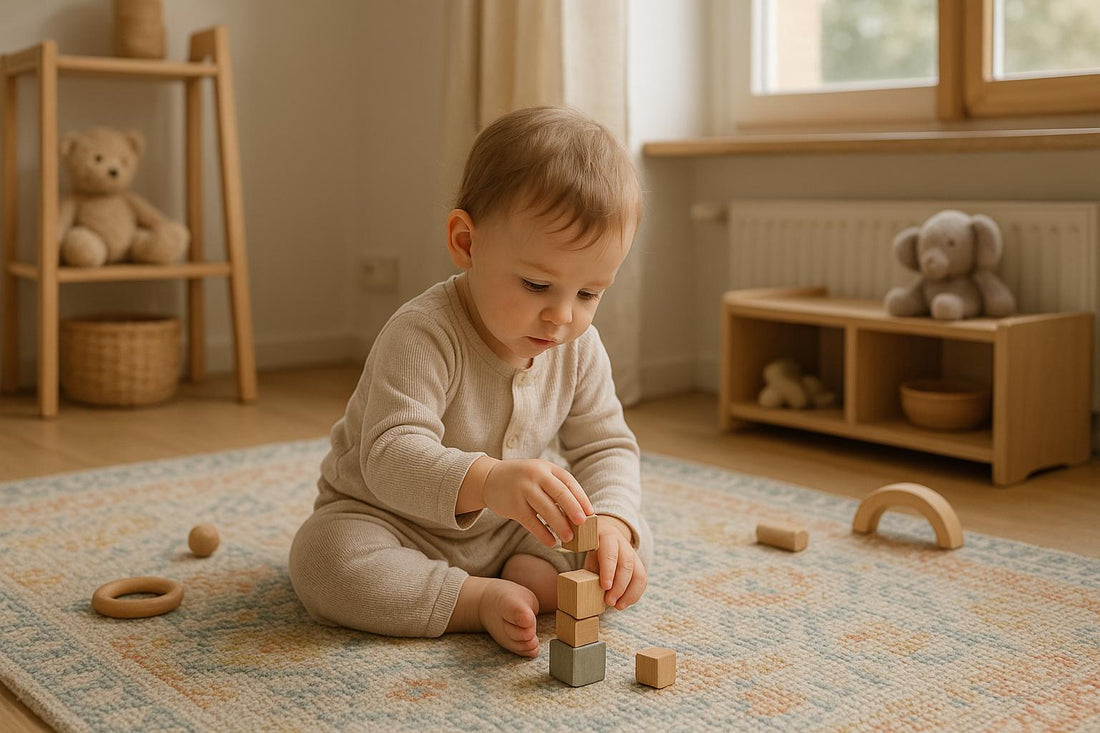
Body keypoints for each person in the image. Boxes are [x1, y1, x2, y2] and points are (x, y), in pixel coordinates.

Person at [289, 106, 652, 658]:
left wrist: (611, 526)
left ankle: (530, 575)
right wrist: (488, 481)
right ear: (466, 243)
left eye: (588, 294)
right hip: (390, 520)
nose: (562, 316)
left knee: (626, 542)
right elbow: (389, 456)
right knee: (322, 559)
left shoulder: (578, 348)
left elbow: (605, 446)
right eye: (536, 285)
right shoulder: (422, 333)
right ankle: (472, 599)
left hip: (510, 527)